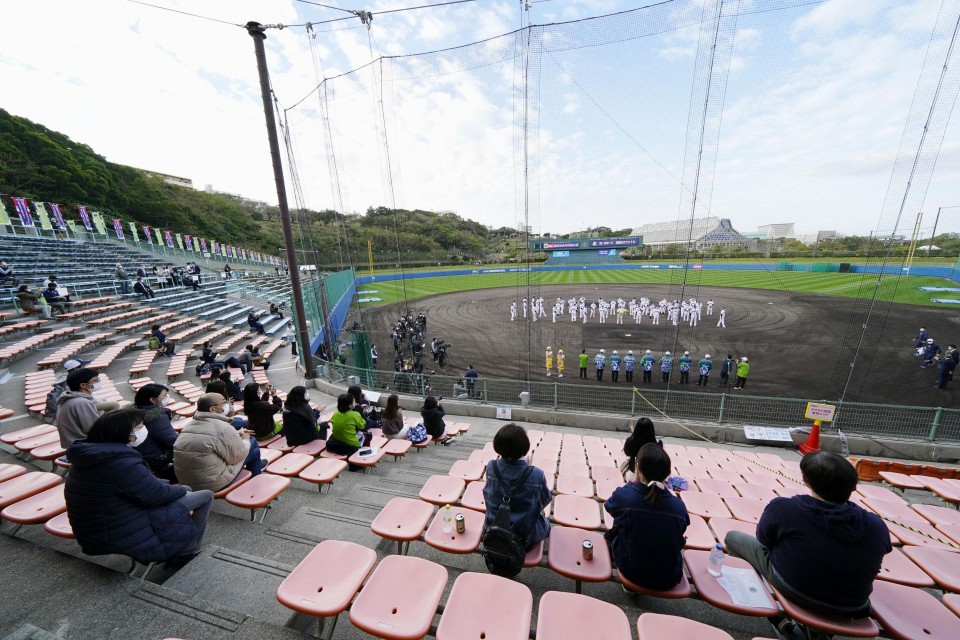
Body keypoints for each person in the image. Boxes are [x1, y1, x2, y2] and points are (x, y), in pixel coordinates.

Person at [725, 451, 891, 636]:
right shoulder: (877, 525)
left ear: (806, 480)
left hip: (796, 590)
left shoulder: (783, 507)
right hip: (854, 604)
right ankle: (818, 631)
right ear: (852, 487)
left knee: (733, 538)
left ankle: (765, 605)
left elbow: (764, 540)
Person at [65, 410, 213, 570]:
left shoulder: (92, 454)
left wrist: (175, 488)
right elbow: (155, 495)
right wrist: (179, 490)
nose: (144, 429)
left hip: (98, 525)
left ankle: (182, 545)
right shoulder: (121, 462)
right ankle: (187, 552)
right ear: (126, 433)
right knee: (206, 496)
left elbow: (136, 486)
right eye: (140, 426)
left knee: (185, 489)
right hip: (119, 527)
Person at [604, 443, 689, 590]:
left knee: (618, 526)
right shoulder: (679, 507)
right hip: (668, 578)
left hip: (631, 571)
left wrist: (633, 484)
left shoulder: (625, 496)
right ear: (667, 474)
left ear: (638, 468)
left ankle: (630, 586)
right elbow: (682, 528)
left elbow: (609, 506)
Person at [173, 393, 266, 492]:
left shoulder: (189, 426)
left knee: (255, 452)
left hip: (187, 482)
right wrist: (245, 439)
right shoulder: (223, 428)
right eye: (224, 402)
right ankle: (257, 487)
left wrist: (236, 434)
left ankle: (257, 470)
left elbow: (211, 439)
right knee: (252, 441)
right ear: (212, 409)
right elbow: (238, 456)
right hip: (212, 483)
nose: (227, 405)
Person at [482, 424, 552, 551]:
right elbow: (545, 500)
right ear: (524, 447)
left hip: (493, 532)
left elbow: (488, 495)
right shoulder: (536, 474)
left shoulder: (491, 466)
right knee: (545, 522)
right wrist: (528, 469)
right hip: (523, 540)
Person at [132, 384, 179, 481]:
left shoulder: (135, 411)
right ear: (153, 400)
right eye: (164, 396)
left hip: (146, 458)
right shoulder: (156, 417)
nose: (167, 398)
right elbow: (172, 441)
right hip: (160, 461)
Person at [56, 368, 103, 449]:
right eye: (96, 380)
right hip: (84, 447)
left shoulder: (68, 398)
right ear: (83, 385)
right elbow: (94, 429)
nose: (98, 382)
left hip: (74, 446)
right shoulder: (82, 403)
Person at [328, 393, 369, 470]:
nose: (355, 403)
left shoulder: (336, 413)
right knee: (367, 435)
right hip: (351, 444)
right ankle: (360, 459)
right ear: (350, 405)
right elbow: (362, 425)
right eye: (353, 401)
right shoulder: (355, 414)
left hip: (336, 441)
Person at [620, 418, 663, 483]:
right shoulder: (658, 444)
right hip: (652, 477)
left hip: (633, 474)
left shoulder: (630, 441)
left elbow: (627, 453)